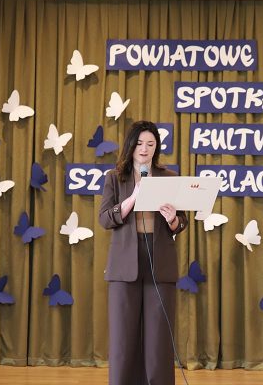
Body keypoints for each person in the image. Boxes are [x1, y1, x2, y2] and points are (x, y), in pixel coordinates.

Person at [99, 120, 188, 385]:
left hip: (159, 261)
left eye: (150, 144)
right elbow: (105, 219)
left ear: (156, 147)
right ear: (131, 145)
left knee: (158, 337)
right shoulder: (115, 177)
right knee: (123, 338)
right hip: (124, 264)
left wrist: (173, 219)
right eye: (139, 143)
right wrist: (133, 197)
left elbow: (182, 222)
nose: (144, 149)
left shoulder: (169, 177)